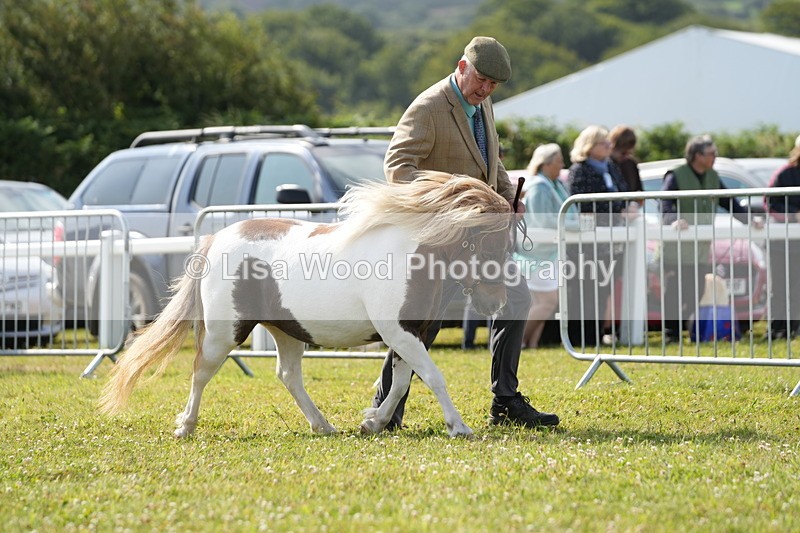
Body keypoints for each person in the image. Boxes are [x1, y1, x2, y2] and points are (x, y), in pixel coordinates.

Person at [374, 36, 559, 430]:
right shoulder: (428, 107)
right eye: (481, 80)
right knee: (424, 324)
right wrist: (452, 198)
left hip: (481, 243)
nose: (487, 89)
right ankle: (386, 410)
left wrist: (509, 197)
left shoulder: (481, 103)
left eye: (494, 84)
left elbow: (492, 164)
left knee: (517, 298)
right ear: (462, 67)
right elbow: (397, 168)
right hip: (439, 239)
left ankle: (506, 400)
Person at [659, 134, 762, 343]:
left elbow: (729, 202)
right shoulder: (676, 175)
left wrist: (750, 220)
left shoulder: (712, 176)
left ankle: (685, 328)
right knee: (675, 290)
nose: (715, 156)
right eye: (711, 153)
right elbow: (665, 204)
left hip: (700, 249)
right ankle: (671, 333)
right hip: (676, 247)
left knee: (695, 289)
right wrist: (674, 220)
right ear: (697, 155)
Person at [566, 125, 637, 347]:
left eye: (608, 142)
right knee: (587, 289)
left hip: (611, 241)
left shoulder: (611, 167)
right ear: (589, 146)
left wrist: (627, 206)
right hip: (588, 244)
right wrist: (619, 209)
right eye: (602, 142)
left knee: (604, 289)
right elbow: (584, 203)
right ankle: (582, 338)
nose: (608, 146)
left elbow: (624, 191)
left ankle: (596, 336)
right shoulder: (580, 170)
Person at [514, 143, 579, 349]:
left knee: (539, 303)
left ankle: (530, 344)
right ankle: (514, 341)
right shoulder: (540, 187)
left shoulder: (554, 184)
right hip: (538, 254)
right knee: (548, 302)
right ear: (546, 163)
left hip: (547, 252)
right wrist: (576, 226)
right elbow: (544, 221)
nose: (562, 164)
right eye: (559, 160)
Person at [765, 134, 800, 339]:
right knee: (779, 288)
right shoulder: (784, 174)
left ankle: (795, 329)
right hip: (782, 244)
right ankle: (777, 330)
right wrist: (794, 215)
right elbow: (770, 203)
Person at [609, 125, 643, 196]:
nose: (626, 156)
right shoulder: (605, 165)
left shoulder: (631, 164)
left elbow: (639, 190)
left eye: (629, 153)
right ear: (613, 147)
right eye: (623, 153)